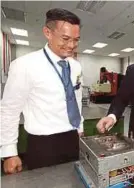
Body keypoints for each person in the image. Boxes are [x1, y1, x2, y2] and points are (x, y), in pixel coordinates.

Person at [1, 8, 84, 173]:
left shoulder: (75, 66)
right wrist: (9, 152)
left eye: (76, 40)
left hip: (73, 139)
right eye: (66, 38)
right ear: (47, 32)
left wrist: (80, 127)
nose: (71, 45)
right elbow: (9, 111)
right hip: (43, 144)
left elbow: (76, 98)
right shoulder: (24, 65)